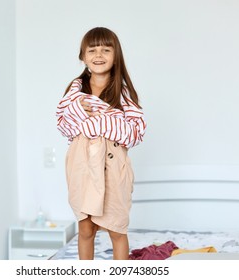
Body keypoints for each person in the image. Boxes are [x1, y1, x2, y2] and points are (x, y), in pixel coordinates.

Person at [56, 27, 146, 260]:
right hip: (83, 165)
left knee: (116, 228)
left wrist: (104, 119)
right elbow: (64, 126)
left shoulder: (123, 93)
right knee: (86, 228)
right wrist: (77, 111)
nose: (99, 55)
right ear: (83, 56)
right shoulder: (74, 93)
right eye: (92, 50)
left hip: (113, 167)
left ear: (116, 56)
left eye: (106, 50)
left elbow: (136, 133)